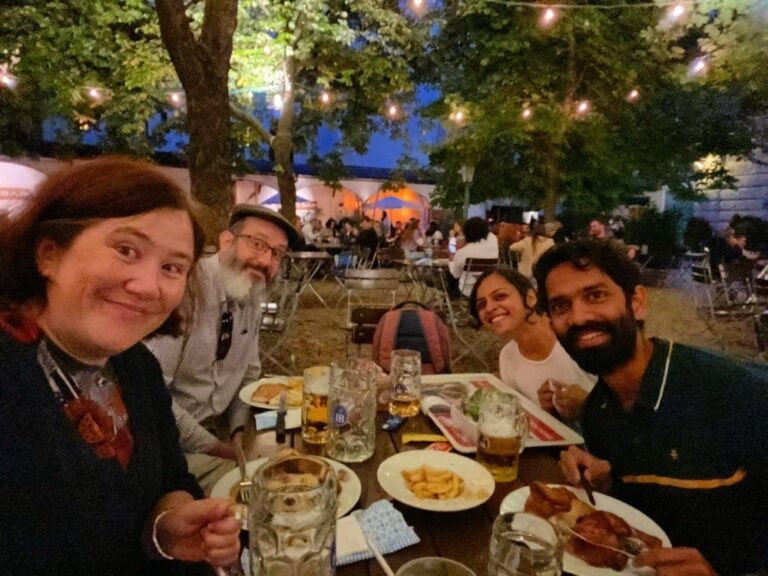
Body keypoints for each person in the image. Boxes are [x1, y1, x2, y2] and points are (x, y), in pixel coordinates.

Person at [0, 157, 241, 574]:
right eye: (127, 250)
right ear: (48, 254)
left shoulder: (135, 366)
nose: (148, 286)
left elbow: (171, 481)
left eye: (172, 267)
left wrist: (167, 528)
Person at [534, 240, 768, 575]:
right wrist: (607, 484)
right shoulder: (597, 413)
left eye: (595, 295)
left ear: (637, 303)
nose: (579, 317)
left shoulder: (735, 392)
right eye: (560, 306)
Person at [147, 203, 298, 493]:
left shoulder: (249, 291)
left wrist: (239, 430)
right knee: (270, 490)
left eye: (277, 253)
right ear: (226, 241)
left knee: (297, 458)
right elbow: (154, 398)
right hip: (168, 448)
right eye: (257, 244)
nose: (266, 261)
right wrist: (218, 448)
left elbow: (249, 374)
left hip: (222, 434)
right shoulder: (184, 291)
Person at [469, 269, 596, 420]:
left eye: (500, 296)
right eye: (481, 304)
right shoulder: (507, 357)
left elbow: (629, 413)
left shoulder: (578, 339)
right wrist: (549, 410)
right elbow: (525, 421)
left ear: (530, 298)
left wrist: (588, 404)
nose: (489, 308)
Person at [449, 217, 499, 297]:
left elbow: (456, 275)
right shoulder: (494, 241)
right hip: (487, 287)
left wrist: (451, 259)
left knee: (450, 279)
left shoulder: (462, 252)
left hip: (467, 291)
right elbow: (490, 235)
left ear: (466, 233)